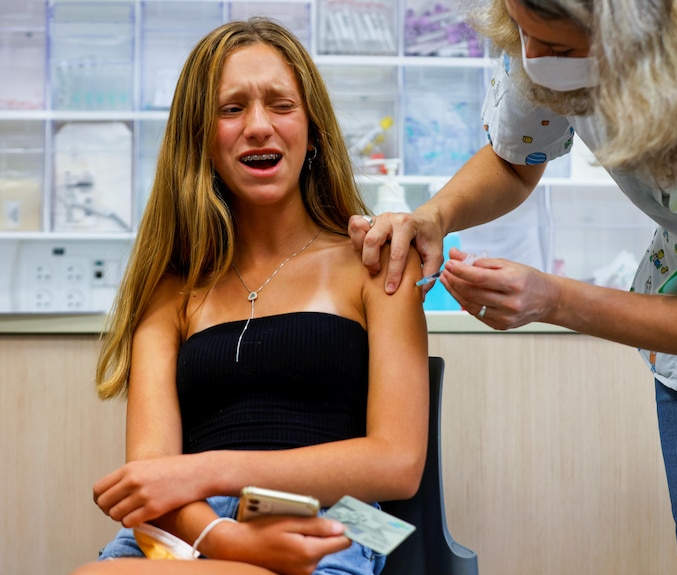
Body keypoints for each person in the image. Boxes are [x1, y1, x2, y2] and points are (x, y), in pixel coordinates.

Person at [349, 0, 677, 573]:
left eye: (562, 49)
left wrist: (553, 299)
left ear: (638, 33)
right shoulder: (541, 31)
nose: (536, 59)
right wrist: (434, 217)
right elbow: (518, 160)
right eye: (525, 35)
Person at [71, 17, 428, 575]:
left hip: (343, 519)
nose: (258, 126)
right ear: (200, 138)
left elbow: (398, 463)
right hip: (188, 527)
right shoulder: (171, 290)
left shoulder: (376, 265)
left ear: (311, 128)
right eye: (231, 108)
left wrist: (207, 471)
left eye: (280, 104)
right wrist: (222, 534)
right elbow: (152, 472)